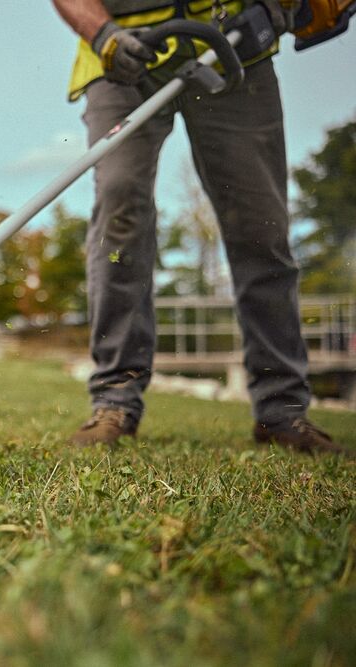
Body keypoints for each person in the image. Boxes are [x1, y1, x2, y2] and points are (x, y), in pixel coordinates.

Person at [51, 0, 347, 455]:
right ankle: (114, 399)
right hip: (122, 55)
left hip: (233, 43)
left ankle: (282, 410)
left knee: (260, 226)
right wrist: (103, 35)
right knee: (119, 215)